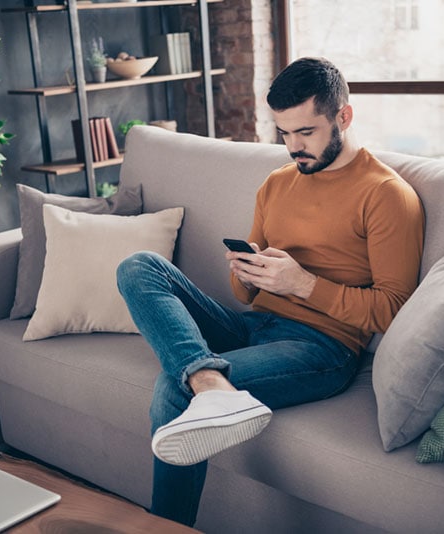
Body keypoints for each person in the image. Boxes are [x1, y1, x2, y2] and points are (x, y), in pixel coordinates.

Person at [116, 56, 424, 527]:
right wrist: (248, 272)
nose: (293, 147)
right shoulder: (277, 184)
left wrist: (304, 284)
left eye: (306, 132)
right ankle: (211, 381)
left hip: (322, 346)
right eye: (283, 133)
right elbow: (245, 295)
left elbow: (394, 311)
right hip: (253, 325)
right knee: (139, 267)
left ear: (343, 116)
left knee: (172, 387)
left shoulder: (385, 194)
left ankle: (167, 524)